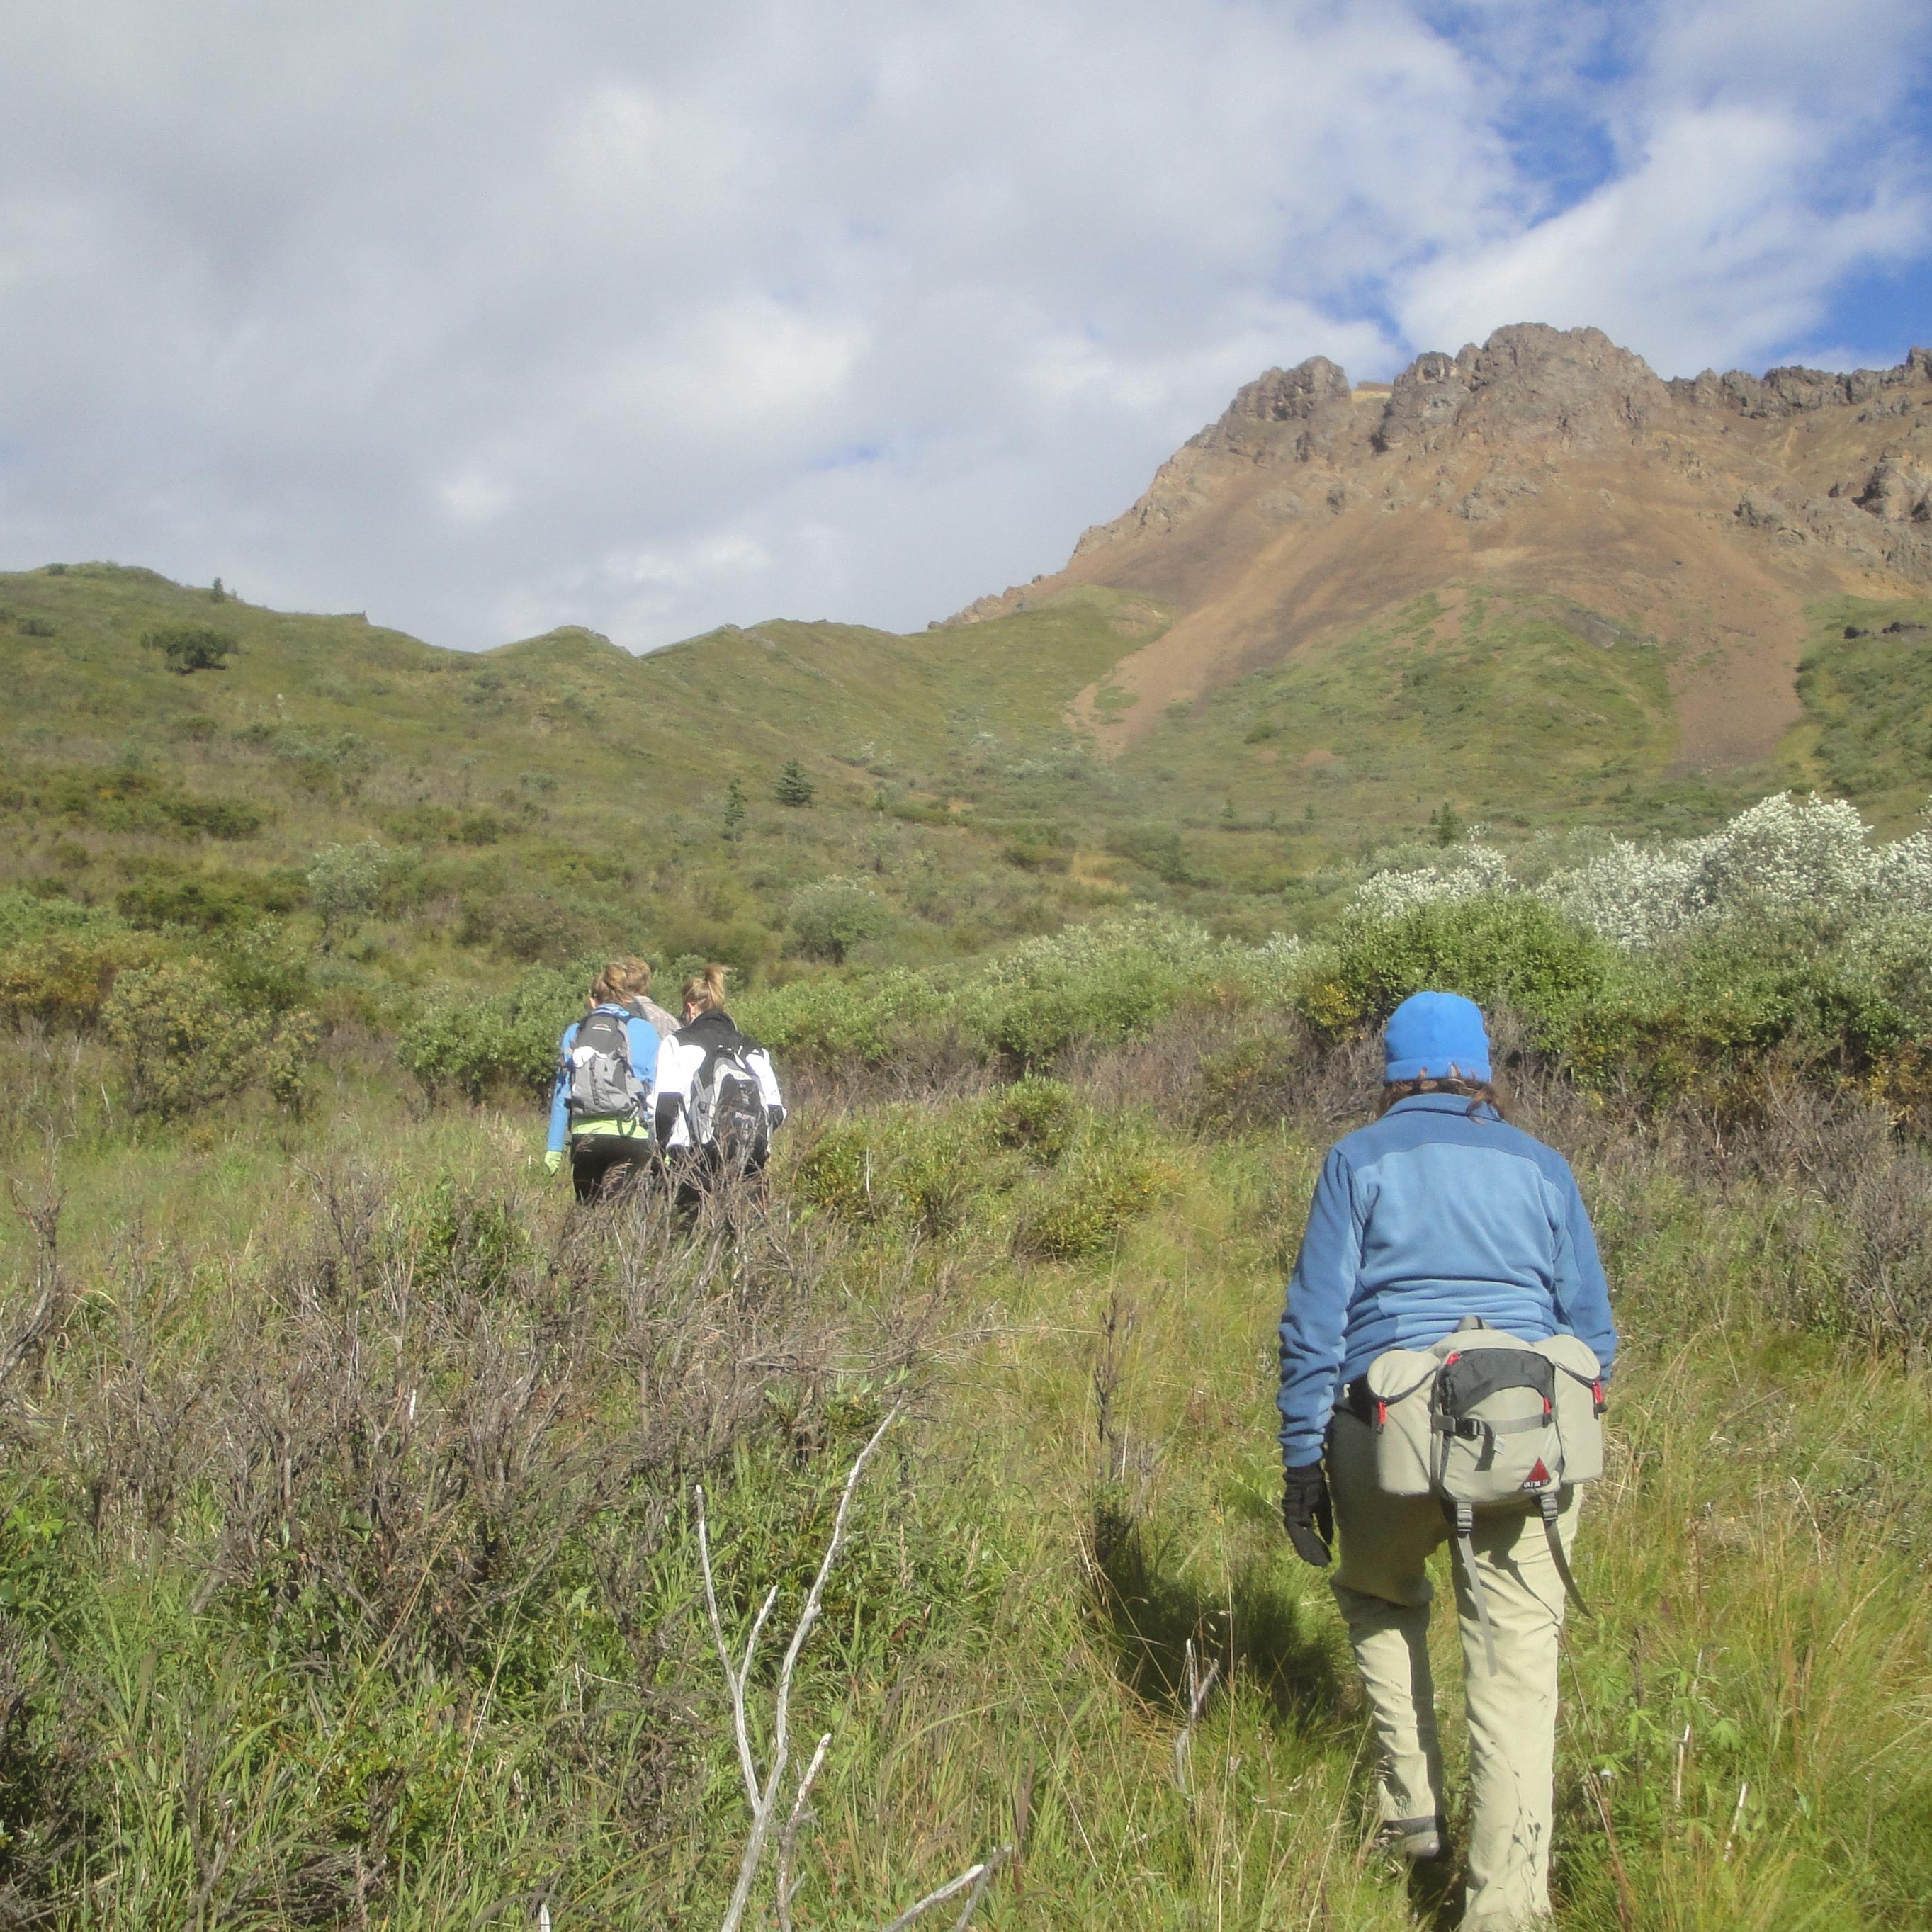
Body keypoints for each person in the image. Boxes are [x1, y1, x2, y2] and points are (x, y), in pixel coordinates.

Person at [1276, 991, 1616, 1931]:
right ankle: (1503, 1909)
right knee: (1513, 1667)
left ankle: (1408, 1813)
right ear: (1481, 1069)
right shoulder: (1543, 1164)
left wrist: (1302, 1457)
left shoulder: (1356, 1158)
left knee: (1381, 1597)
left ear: (1390, 1072)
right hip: (1522, 1436)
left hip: (1384, 1431)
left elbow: (1314, 1322)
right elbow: (1591, 1330)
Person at [653, 964, 785, 1214]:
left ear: (690, 1008)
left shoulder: (678, 1043)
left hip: (691, 1159)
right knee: (742, 1237)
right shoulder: (753, 1049)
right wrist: (745, 1137)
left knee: (686, 1238)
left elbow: (665, 1107)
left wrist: (660, 1156)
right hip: (748, 1159)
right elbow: (776, 1111)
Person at [545, 959, 663, 1202]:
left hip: (585, 1136)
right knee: (620, 1218)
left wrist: (554, 1147)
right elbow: (655, 1090)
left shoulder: (575, 1031)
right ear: (626, 998)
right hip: (631, 1136)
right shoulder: (644, 1030)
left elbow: (562, 1094)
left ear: (592, 1001)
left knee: (589, 1213)